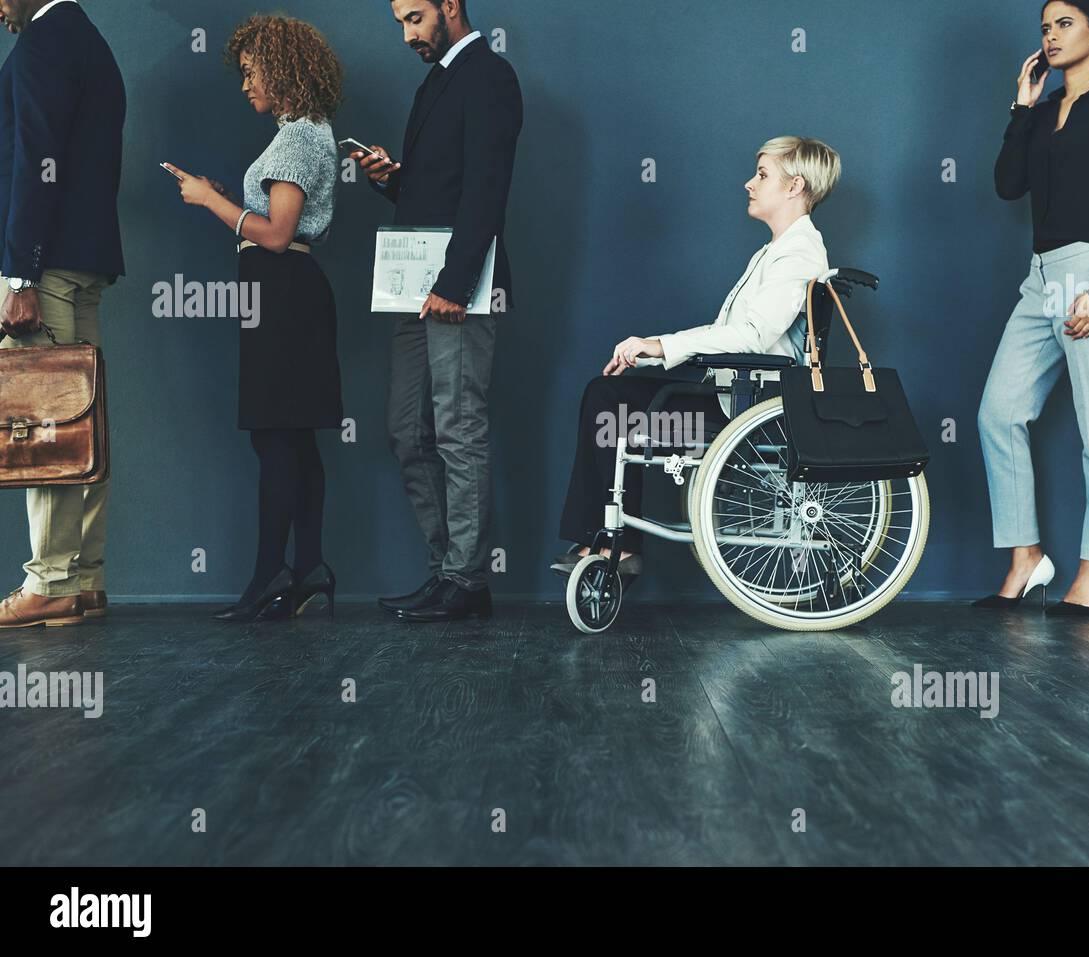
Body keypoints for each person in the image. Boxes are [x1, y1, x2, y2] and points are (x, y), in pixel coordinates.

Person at [551, 136, 840, 580]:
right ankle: (613, 543)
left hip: (744, 410)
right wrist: (650, 353)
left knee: (611, 405)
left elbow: (751, 336)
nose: (749, 183)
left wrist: (658, 346)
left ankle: (615, 545)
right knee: (609, 395)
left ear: (794, 186)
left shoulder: (798, 252)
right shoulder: (775, 251)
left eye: (762, 175)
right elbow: (730, 337)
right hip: (735, 396)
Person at [163, 15, 344, 622]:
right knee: (296, 436)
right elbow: (275, 225)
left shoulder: (296, 138)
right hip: (291, 292)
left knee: (276, 438)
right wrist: (226, 199)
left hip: (283, 292)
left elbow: (277, 234)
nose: (245, 85)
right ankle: (311, 568)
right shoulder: (309, 131)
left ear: (282, 68)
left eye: (250, 72)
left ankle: (271, 576)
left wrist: (212, 201)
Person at [975, 0, 1089, 615]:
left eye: (1065, 24)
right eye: (1045, 28)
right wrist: (1021, 108)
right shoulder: (1046, 109)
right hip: (1041, 276)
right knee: (998, 413)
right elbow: (1007, 184)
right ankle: (1027, 558)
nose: (1051, 36)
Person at [355, 0, 523, 624]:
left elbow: (486, 188)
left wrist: (455, 283)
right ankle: (444, 571)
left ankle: (467, 581)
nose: (408, 33)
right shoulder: (438, 80)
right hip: (414, 286)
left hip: (458, 287)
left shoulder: (489, 75)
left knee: (458, 427)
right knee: (408, 430)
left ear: (451, 5)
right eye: (400, 21)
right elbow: (440, 189)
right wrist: (389, 179)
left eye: (417, 16)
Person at [0, 0, 124, 629]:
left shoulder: (45, 42)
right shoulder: (91, 41)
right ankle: (85, 578)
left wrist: (20, 271)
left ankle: (49, 581)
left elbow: (35, 161)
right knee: (84, 423)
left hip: (45, 266)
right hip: (87, 261)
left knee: (48, 426)